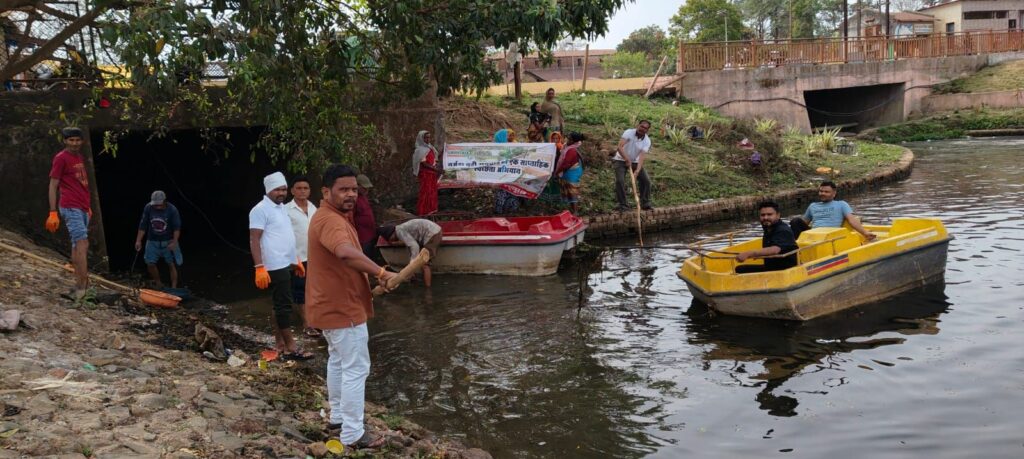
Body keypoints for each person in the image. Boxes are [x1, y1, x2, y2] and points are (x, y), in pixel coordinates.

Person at [305, 164, 396, 450]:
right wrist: (381, 273)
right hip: (342, 308)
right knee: (356, 367)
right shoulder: (331, 221)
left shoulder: (329, 216)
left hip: (330, 305)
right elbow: (345, 253)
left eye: (354, 189)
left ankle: (338, 418)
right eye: (343, 189)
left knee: (338, 361)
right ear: (326, 192)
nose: (351, 195)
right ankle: (353, 433)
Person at [249, 171, 312, 360]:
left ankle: (280, 344)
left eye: (284, 189)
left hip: (286, 261)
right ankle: (291, 347)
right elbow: (254, 239)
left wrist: (295, 260)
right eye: (277, 190)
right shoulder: (260, 210)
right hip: (274, 263)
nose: (281, 193)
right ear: (268, 190)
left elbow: (286, 236)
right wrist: (259, 266)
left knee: (280, 304)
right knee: (284, 305)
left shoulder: (281, 208)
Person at [46, 127, 93, 300]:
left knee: (76, 245)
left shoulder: (79, 157)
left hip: (82, 207)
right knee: (82, 243)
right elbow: (53, 185)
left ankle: (78, 285)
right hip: (70, 206)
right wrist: (52, 212)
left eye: (77, 140)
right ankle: (83, 287)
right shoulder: (61, 158)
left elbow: (81, 183)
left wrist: (87, 206)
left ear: (82, 141)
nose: (74, 143)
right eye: (71, 140)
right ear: (65, 141)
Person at [790, 181, 877, 242]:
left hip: (831, 235)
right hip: (813, 234)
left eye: (826, 192)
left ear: (834, 194)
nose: (823, 193)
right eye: (821, 191)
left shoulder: (841, 204)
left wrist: (864, 233)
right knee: (795, 221)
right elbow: (803, 224)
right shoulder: (813, 206)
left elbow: (852, 219)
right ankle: (796, 246)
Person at [286, 177, 317, 337]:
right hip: (298, 257)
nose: (302, 191)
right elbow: (283, 235)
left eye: (306, 188)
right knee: (300, 290)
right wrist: (291, 258)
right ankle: (307, 324)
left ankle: (316, 320)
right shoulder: (286, 210)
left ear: (310, 190)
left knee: (314, 289)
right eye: (299, 188)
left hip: (315, 256)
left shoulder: (314, 208)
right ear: (292, 191)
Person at [133, 190, 183, 288]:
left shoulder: (172, 210)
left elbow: (177, 228)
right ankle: (158, 283)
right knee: (150, 263)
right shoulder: (148, 207)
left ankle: (174, 287)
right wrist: (138, 240)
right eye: (155, 205)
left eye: (159, 205)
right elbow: (143, 225)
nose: (157, 207)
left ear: (165, 201)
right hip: (152, 240)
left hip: (168, 240)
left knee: (171, 264)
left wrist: (174, 241)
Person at [735, 201, 799, 274]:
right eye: (763, 215)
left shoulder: (783, 230)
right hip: (772, 266)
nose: (765, 217)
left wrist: (749, 253)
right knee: (741, 268)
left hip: (785, 269)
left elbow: (775, 249)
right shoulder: (768, 227)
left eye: (769, 214)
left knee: (740, 269)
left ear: (778, 215)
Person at [380, 219, 441, 288]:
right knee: (421, 263)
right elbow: (410, 247)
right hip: (432, 232)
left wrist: (412, 265)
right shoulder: (400, 229)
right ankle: (419, 282)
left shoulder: (399, 232)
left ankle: (428, 289)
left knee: (425, 264)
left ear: (391, 234)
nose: (391, 241)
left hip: (432, 233)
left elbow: (414, 246)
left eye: (390, 239)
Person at [613, 120, 653, 212]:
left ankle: (645, 203)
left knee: (646, 180)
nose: (642, 129)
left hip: (635, 161)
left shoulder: (647, 141)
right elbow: (619, 147)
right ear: (638, 125)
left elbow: (642, 157)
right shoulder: (629, 133)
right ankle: (623, 205)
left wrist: (637, 171)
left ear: (647, 130)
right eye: (641, 126)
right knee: (620, 181)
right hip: (620, 159)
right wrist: (626, 159)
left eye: (645, 128)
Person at [492, 129, 522, 214]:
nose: (510, 137)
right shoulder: (496, 147)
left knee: (509, 191)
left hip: (511, 174)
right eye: (508, 135)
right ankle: (501, 211)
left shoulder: (515, 145)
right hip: (502, 174)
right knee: (503, 192)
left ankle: (508, 210)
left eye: (511, 135)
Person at [556, 132, 586, 214]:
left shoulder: (571, 150)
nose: (567, 140)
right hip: (571, 172)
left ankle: (575, 212)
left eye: (569, 139)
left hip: (572, 172)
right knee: (570, 192)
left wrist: (557, 172)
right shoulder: (568, 147)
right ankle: (573, 211)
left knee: (572, 192)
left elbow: (566, 164)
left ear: (573, 141)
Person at [412, 130, 440, 216]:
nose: (428, 139)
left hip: (432, 174)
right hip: (425, 174)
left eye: (429, 137)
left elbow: (434, 159)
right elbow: (424, 163)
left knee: (432, 192)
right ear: (421, 138)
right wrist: (436, 169)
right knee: (425, 193)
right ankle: (423, 212)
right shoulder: (420, 150)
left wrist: (436, 167)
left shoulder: (430, 148)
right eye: (426, 138)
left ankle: (431, 210)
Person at [354, 174, 378, 257]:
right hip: (362, 238)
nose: (367, 190)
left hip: (371, 234)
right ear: (357, 186)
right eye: (364, 187)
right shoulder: (354, 199)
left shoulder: (364, 197)